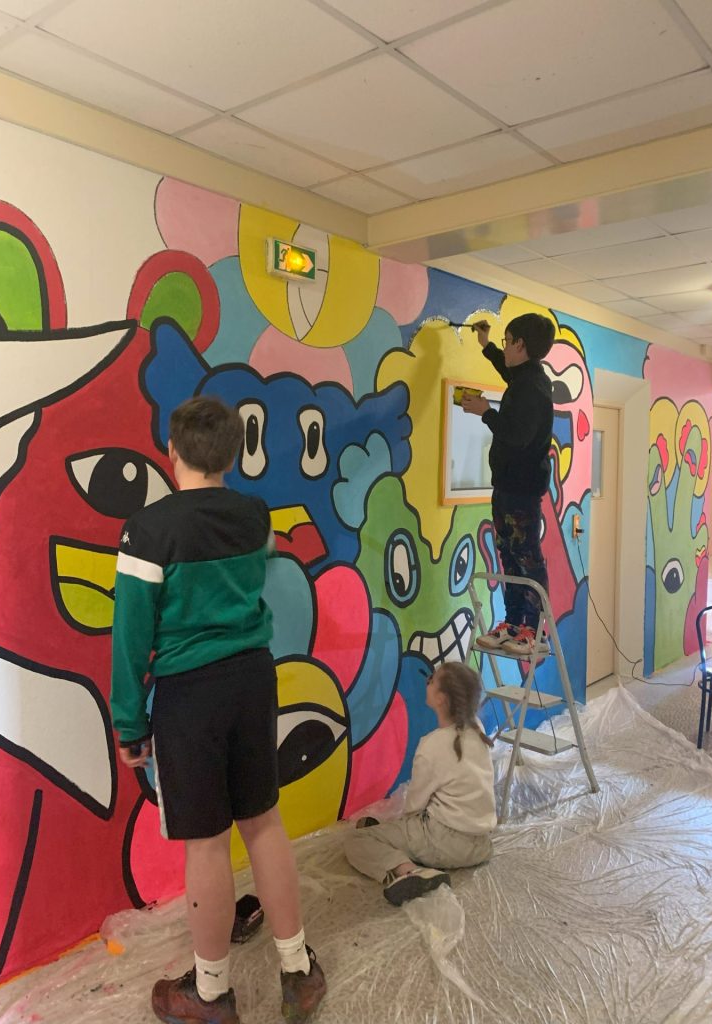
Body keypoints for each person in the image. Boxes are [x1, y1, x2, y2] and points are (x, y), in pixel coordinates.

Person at [110, 395, 326, 1024]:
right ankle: (297, 972)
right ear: (233, 455)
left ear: (170, 451)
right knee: (264, 824)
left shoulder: (148, 530)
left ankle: (210, 995)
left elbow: (130, 637)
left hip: (190, 696)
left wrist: (130, 724)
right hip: (253, 680)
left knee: (205, 845)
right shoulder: (255, 517)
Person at [344, 662, 496, 906]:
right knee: (390, 829)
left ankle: (410, 872)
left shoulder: (431, 745)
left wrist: (402, 829)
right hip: (480, 845)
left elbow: (414, 806)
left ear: (441, 699)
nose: (427, 682)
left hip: (444, 843)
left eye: (431, 680)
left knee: (356, 841)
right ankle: (391, 838)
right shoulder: (477, 728)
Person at [461, 314, 555, 656]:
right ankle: (514, 623)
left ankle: (535, 630)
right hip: (507, 488)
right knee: (510, 556)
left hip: (522, 491)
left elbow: (517, 435)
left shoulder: (532, 387)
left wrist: (486, 412)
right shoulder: (525, 378)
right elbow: (507, 369)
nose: (504, 348)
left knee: (527, 558)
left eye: (506, 341)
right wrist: (486, 345)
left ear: (520, 345)